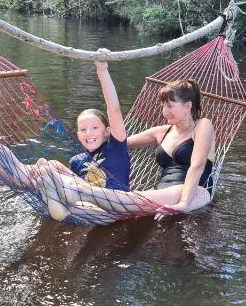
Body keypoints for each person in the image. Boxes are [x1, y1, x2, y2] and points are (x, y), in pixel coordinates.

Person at [0, 49, 130, 222]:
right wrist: (49, 172)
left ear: (107, 131)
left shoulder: (116, 147)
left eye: (94, 128)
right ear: (78, 134)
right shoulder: (77, 160)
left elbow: (113, 108)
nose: (88, 133)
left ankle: (59, 207)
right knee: (43, 169)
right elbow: (77, 187)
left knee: (52, 173)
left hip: (113, 206)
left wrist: (102, 69)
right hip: (82, 199)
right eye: (83, 130)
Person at [33, 79, 216, 219]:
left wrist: (183, 203)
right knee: (125, 201)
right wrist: (97, 134)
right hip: (158, 195)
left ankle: (72, 190)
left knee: (128, 200)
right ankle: (48, 181)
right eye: (162, 105)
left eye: (169, 106)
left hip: (193, 192)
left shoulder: (203, 126)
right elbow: (119, 143)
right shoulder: (162, 131)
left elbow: (197, 166)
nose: (164, 111)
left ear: (188, 106)